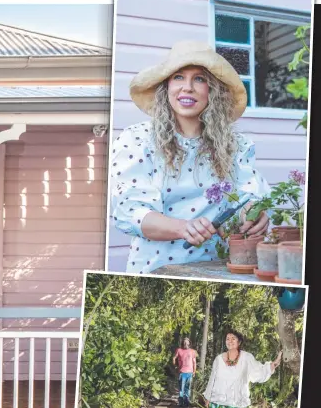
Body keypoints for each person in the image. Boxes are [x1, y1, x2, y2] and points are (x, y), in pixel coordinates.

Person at [109, 41, 271, 274]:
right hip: (157, 271)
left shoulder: (237, 145)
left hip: (220, 268)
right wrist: (184, 228)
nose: (187, 87)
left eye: (199, 79)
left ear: (213, 91)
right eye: (178, 77)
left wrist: (253, 214)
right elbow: (132, 212)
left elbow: (249, 194)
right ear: (166, 87)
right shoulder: (137, 139)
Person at [172, 337, 198, 407]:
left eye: (187, 342)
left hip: (190, 372)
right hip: (182, 372)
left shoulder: (193, 351)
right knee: (181, 388)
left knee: (188, 388)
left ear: (189, 343)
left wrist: (194, 372)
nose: (186, 343)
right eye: (184, 342)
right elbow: (174, 357)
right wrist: (175, 365)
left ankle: (186, 402)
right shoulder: (179, 350)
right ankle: (181, 402)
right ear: (183, 343)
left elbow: (194, 362)